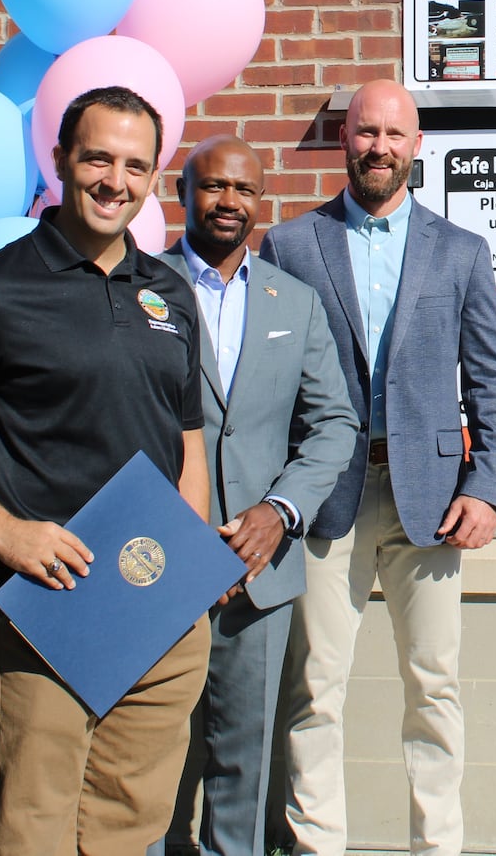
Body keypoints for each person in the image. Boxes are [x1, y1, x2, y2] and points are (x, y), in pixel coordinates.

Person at [0, 85, 211, 853]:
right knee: (27, 832)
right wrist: (6, 534)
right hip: (40, 609)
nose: (116, 180)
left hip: (154, 609)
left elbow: (189, 442)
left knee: (125, 833)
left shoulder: (169, 292)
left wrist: (189, 570)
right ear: (62, 160)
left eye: (137, 165)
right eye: (98, 157)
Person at [259, 78, 496, 856]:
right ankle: (316, 846)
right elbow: (267, 382)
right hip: (322, 498)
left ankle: (436, 847)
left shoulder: (460, 251)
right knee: (314, 690)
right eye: (367, 133)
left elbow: (492, 379)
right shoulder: (291, 246)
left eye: (395, 135)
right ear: (345, 140)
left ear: (417, 146)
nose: (380, 148)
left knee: (434, 688)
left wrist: (489, 489)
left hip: (432, 501)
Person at [149, 136, 358, 856]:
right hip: (159, 568)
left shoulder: (292, 302)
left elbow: (335, 421)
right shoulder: (140, 290)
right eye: (213, 186)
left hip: (258, 572)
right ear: (184, 193)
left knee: (243, 770)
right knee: (148, 770)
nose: (229, 201)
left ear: (260, 200)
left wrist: (280, 513)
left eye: (244, 189)